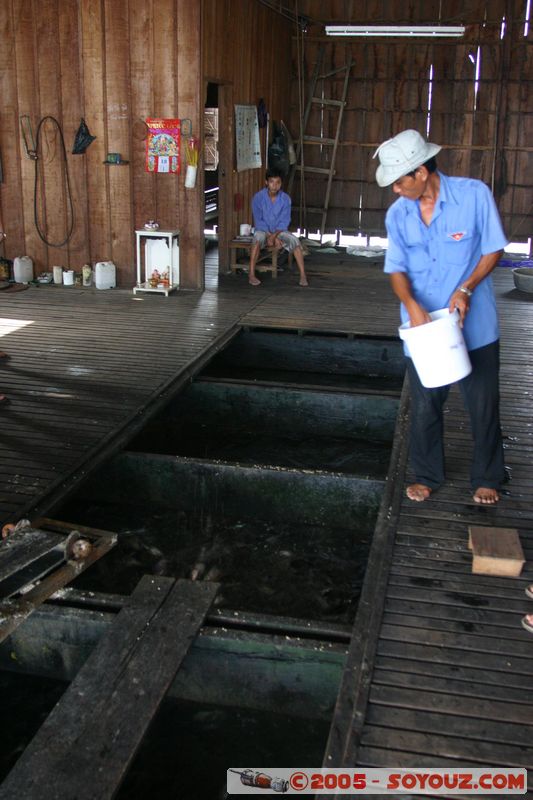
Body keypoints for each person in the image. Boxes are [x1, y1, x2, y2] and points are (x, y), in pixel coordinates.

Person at [373, 129, 508, 505]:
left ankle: (487, 476)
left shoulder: (473, 195)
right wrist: (412, 306)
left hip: (474, 324)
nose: (396, 191)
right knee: (426, 404)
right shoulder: (397, 214)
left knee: (482, 403)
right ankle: (428, 475)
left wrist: (466, 288)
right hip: (424, 330)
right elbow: (396, 270)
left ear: (421, 173)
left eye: (399, 182)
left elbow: (493, 249)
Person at [249, 169, 308, 287]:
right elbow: (258, 220)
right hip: (263, 230)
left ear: (281, 184)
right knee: (257, 239)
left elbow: (284, 220)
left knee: (295, 241)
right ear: (266, 182)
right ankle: (251, 274)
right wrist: (269, 236)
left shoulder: (285, 199)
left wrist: (275, 236)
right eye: (271, 182)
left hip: (279, 231)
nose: (274, 186)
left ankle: (303, 275)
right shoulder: (258, 197)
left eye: (277, 183)